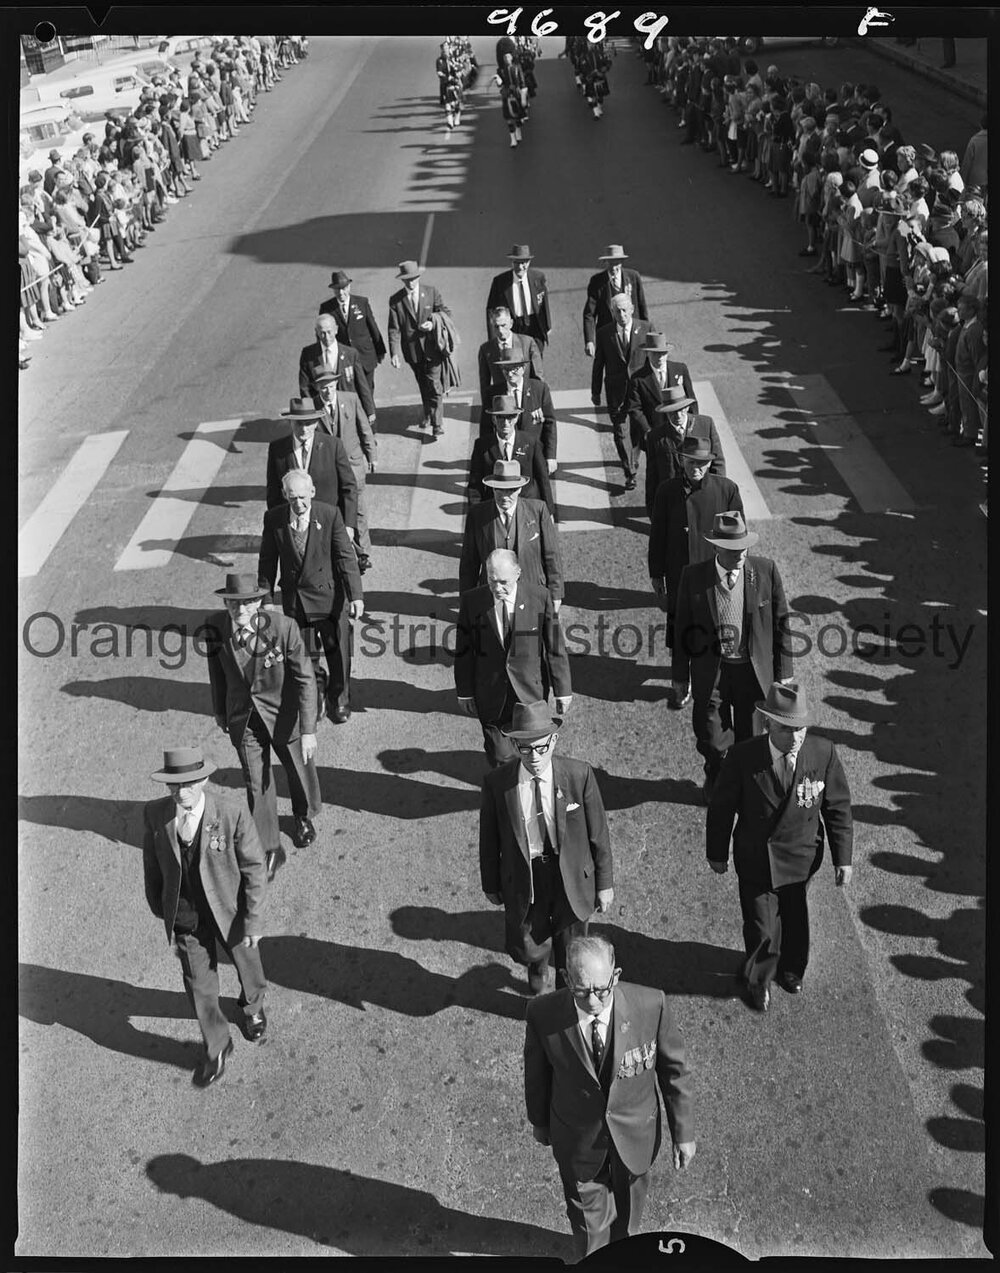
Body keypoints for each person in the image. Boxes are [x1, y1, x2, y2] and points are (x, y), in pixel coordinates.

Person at [524, 934, 696, 1261]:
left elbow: (674, 1070)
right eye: (581, 990)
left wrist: (683, 1132)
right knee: (590, 1234)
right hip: (578, 1142)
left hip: (635, 1139)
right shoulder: (543, 1014)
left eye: (602, 989)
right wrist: (540, 1123)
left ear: (615, 974)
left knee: (629, 1226)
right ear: (566, 979)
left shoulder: (651, 1005)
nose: (593, 1000)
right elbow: (536, 1075)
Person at [706, 681, 854, 1012]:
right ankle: (758, 981)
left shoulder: (822, 753)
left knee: (795, 919)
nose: (796, 737)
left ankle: (791, 969)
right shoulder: (743, 757)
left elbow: (837, 807)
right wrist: (716, 852)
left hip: (801, 860)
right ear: (768, 722)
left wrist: (843, 859)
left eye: (801, 728)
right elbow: (722, 807)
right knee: (761, 927)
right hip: (757, 860)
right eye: (787, 729)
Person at [142, 746, 268, 1087]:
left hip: (229, 911)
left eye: (189, 784)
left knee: (248, 965)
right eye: (173, 785)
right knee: (199, 986)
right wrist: (160, 905)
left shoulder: (231, 812)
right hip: (186, 916)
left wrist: (253, 920)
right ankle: (217, 1045)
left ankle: (252, 1006)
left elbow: (255, 868)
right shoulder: (155, 815)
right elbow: (152, 865)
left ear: (204, 779)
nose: (181, 792)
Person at [480, 702, 613, 993]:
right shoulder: (498, 784)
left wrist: (604, 883)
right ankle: (538, 969)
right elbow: (489, 840)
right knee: (531, 940)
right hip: (528, 874)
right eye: (525, 749)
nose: (535, 757)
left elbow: (599, 834)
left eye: (541, 747)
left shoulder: (579, 775)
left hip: (572, 875)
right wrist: (490, 883)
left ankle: (567, 992)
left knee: (573, 944)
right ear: (514, 744)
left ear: (553, 740)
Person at [205, 573, 321, 881]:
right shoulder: (215, 628)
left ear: (258, 602)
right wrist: (220, 712)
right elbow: (217, 673)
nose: (239, 611)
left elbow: (306, 679)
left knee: (297, 770)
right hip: (244, 720)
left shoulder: (284, 628)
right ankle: (270, 847)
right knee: (256, 783)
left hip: (284, 715)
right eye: (232, 603)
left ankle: (301, 816)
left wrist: (308, 730)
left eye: (245, 603)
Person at [672, 511, 792, 803]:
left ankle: (747, 788)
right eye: (733, 549)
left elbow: (781, 624)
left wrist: (783, 671)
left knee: (751, 740)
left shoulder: (765, 571)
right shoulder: (694, 577)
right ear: (716, 547)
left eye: (744, 547)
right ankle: (716, 773)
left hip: (752, 673)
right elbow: (681, 631)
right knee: (712, 738)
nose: (740, 554)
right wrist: (679, 676)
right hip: (713, 673)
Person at [257, 469, 364, 726]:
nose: (299, 503)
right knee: (304, 654)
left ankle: (339, 698)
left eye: (303, 497)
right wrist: (268, 599)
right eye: (293, 498)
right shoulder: (274, 519)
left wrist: (356, 596)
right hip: (296, 603)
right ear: (285, 495)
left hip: (329, 600)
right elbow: (268, 561)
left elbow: (345, 558)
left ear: (313, 493)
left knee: (338, 654)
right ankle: (315, 693)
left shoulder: (329, 515)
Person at [456, 550, 571, 767]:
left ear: (517, 573)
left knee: (534, 754)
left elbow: (555, 646)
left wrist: (563, 690)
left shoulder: (539, 597)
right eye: (492, 580)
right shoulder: (472, 601)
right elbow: (464, 651)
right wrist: (465, 692)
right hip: (491, 696)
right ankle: (507, 797)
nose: (497, 588)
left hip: (529, 695)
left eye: (503, 582)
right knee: (500, 757)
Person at [649, 438, 744, 651]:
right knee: (681, 630)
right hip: (679, 572)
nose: (696, 468)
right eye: (691, 462)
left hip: (714, 573)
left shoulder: (726, 489)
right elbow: (657, 536)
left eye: (701, 463)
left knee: (715, 626)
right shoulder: (666, 491)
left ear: (710, 463)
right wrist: (656, 574)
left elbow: (738, 536)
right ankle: (682, 676)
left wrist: (736, 571)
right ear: (681, 461)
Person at [459, 460, 564, 607]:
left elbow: (551, 555)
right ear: (493, 489)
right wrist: (467, 600)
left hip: (533, 595)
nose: (505, 496)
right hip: (492, 597)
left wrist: (556, 594)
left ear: (520, 489)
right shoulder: (477, 515)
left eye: (511, 490)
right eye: (499, 490)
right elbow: (469, 563)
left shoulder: (538, 510)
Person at [310, 372, 377, 573]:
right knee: (337, 511)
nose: (327, 391)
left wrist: (371, 454)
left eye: (330, 387)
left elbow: (364, 428)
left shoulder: (350, 399)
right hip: (329, 471)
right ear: (317, 389)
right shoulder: (313, 407)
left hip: (353, 465)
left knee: (359, 510)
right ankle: (349, 552)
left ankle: (363, 553)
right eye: (323, 388)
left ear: (336, 385)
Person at [265, 396, 358, 537]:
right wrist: (277, 525)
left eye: (308, 423)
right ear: (290, 422)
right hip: (294, 526)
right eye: (298, 424)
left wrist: (349, 525)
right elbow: (273, 491)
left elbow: (348, 487)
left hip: (329, 524)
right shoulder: (277, 449)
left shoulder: (333, 446)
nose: (303, 429)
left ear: (316, 423)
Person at [591, 294, 653, 486]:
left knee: (637, 431)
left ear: (632, 309)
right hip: (616, 391)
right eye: (617, 310)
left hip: (640, 391)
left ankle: (633, 459)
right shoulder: (604, 333)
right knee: (621, 431)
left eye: (625, 310)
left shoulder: (646, 328)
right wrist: (595, 391)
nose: (622, 314)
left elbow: (654, 358)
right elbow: (598, 363)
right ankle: (630, 471)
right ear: (612, 312)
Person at [387, 259, 452, 436]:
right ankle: (428, 412)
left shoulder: (431, 292)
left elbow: (445, 313)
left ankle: (437, 424)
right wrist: (394, 353)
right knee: (423, 384)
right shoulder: (396, 301)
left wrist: (433, 323)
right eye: (407, 279)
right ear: (402, 280)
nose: (411, 282)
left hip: (432, 348)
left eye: (414, 278)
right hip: (412, 352)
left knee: (434, 384)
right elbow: (394, 328)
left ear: (418, 277)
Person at [624, 330, 699, 476]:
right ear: (647, 353)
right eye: (655, 353)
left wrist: (692, 424)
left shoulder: (680, 369)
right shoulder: (638, 378)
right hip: (657, 434)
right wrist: (649, 432)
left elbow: (691, 399)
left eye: (663, 353)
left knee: (686, 466)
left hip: (681, 430)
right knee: (663, 471)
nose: (659, 357)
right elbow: (635, 409)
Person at [644, 384, 725, 517]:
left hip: (703, 495)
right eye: (672, 411)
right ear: (666, 412)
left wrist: (719, 495)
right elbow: (652, 477)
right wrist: (652, 511)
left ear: (687, 407)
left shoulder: (705, 424)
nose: (678, 415)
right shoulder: (655, 437)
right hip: (673, 501)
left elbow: (718, 462)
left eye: (681, 409)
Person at [469, 395, 555, 512]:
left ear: (517, 418)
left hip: (527, 507)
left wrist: (549, 511)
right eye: (500, 417)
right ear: (493, 419)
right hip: (495, 508)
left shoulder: (530, 442)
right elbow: (475, 485)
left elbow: (542, 478)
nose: (506, 423)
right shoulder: (482, 446)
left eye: (510, 417)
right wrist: (475, 514)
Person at [318, 270, 386, 396]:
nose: (341, 293)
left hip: (365, 357)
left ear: (349, 287)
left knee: (367, 391)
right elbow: (321, 336)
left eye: (343, 288)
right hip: (344, 359)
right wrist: (323, 359)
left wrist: (380, 350)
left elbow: (373, 327)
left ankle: (370, 415)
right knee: (349, 393)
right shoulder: (326, 308)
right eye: (337, 289)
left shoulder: (362, 303)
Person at [298, 313, 376, 422]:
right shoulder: (308, 354)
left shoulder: (350, 354)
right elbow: (304, 387)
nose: (327, 337)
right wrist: (311, 410)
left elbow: (361, 384)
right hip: (322, 411)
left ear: (336, 330)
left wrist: (369, 410)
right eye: (322, 333)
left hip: (347, 409)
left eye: (329, 332)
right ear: (316, 332)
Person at [477, 305, 545, 428]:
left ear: (511, 323)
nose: (500, 331)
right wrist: (488, 412)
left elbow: (538, 378)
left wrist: (538, 404)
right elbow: (485, 385)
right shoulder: (486, 350)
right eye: (496, 327)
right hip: (503, 406)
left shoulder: (527, 343)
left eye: (503, 325)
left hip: (526, 400)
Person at [493, 355, 557, 472]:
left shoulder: (539, 389)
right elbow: (487, 427)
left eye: (515, 369)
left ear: (524, 368)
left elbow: (550, 424)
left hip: (534, 453)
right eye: (506, 369)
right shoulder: (493, 393)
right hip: (507, 455)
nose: (510, 374)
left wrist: (551, 456)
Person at [583, 245, 649, 356]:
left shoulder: (633, 277)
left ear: (622, 262)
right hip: (609, 337)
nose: (613, 268)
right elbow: (589, 313)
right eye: (610, 263)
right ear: (605, 263)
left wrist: (647, 334)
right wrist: (590, 341)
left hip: (633, 333)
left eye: (616, 263)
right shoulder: (597, 281)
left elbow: (642, 307)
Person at [486, 244, 552, 351]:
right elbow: (491, 310)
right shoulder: (500, 282)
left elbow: (544, 301)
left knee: (536, 363)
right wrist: (493, 339)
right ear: (512, 262)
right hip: (513, 328)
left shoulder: (538, 277)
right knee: (516, 363)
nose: (521, 267)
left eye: (524, 263)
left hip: (534, 327)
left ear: (529, 262)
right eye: (517, 263)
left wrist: (548, 325)